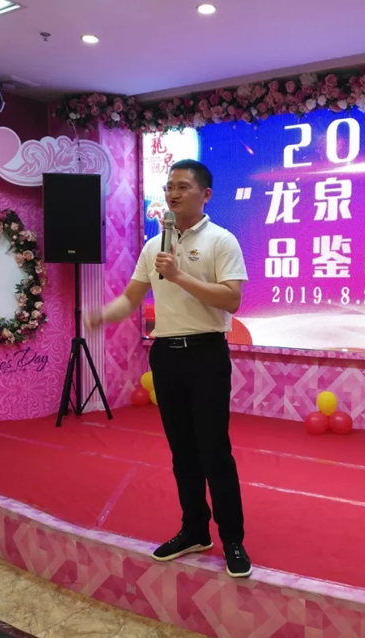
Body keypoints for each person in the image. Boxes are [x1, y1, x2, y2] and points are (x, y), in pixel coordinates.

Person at [86, 159, 252, 578]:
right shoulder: (153, 246)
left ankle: (232, 538)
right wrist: (102, 315)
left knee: (214, 450)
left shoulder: (221, 240)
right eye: (169, 187)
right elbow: (131, 299)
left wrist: (178, 276)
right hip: (166, 355)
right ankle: (194, 529)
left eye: (182, 187)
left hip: (206, 353)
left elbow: (231, 300)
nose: (172, 194)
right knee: (182, 451)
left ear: (205, 194)